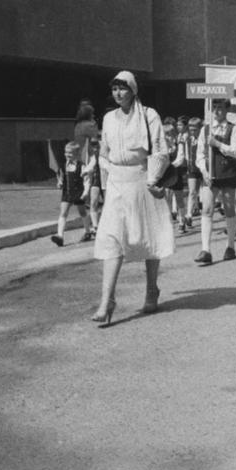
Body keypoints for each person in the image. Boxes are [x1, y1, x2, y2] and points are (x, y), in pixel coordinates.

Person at [91, 71, 174, 324]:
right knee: (111, 239)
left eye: (123, 88)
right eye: (114, 89)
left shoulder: (149, 115)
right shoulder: (107, 118)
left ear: (133, 90)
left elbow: (160, 149)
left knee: (148, 237)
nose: (118, 93)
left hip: (142, 180)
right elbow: (104, 152)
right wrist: (107, 176)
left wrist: (153, 178)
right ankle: (107, 301)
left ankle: (151, 289)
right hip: (117, 183)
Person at [194, 99, 236, 265]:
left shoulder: (233, 128)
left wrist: (217, 143)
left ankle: (230, 246)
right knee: (207, 209)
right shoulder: (205, 129)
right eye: (214, 107)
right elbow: (199, 154)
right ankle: (205, 249)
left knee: (229, 208)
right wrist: (204, 171)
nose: (217, 110)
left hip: (228, 173)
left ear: (227, 109)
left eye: (220, 107)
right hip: (210, 175)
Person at [51, 141, 92, 247]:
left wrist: (86, 192)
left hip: (78, 192)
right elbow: (61, 178)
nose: (67, 155)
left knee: (82, 212)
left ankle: (87, 231)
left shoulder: (81, 166)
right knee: (63, 212)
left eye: (70, 153)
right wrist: (59, 183)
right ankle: (60, 236)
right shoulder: (64, 166)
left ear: (77, 154)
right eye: (66, 152)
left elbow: (86, 181)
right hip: (67, 192)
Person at [83, 134, 105, 239]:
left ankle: (105, 225)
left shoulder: (106, 153)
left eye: (96, 143)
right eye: (92, 144)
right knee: (93, 202)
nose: (95, 147)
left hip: (107, 179)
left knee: (108, 203)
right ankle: (95, 226)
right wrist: (86, 171)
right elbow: (92, 164)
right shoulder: (93, 155)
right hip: (96, 179)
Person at [184, 117, 203, 227]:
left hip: (203, 168)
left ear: (200, 129)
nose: (192, 131)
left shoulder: (203, 138)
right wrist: (188, 165)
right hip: (192, 168)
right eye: (190, 129)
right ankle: (189, 215)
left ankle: (205, 211)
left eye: (195, 129)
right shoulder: (188, 140)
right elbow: (187, 154)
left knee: (204, 192)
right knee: (192, 191)